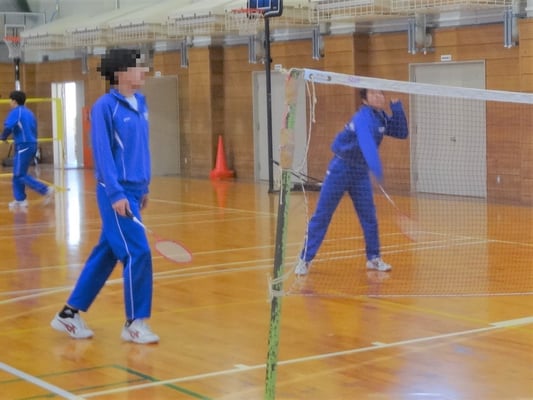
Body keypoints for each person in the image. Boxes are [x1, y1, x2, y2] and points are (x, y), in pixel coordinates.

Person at [51, 48, 159, 344]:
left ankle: (68, 314)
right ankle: (134, 323)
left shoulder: (141, 103)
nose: (144, 71)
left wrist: (144, 187)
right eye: (138, 67)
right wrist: (116, 193)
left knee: (107, 253)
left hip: (134, 190)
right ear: (121, 72)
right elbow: (103, 153)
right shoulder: (104, 107)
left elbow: (141, 149)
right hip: (116, 192)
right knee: (138, 252)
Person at [295, 88, 408, 276]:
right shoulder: (362, 118)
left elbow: (402, 132)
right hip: (341, 168)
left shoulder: (380, 117)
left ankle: (373, 258)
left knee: (369, 217)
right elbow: (367, 143)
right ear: (365, 100)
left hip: (360, 172)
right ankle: (304, 259)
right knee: (322, 214)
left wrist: (396, 108)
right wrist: (377, 169)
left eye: (380, 93)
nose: (378, 96)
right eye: (373, 94)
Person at [1, 90, 54, 209]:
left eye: (10, 100)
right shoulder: (29, 112)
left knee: (20, 174)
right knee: (17, 173)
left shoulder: (16, 112)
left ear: (14, 101)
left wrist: (3, 137)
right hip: (30, 144)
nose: (10, 103)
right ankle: (20, 200)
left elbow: (8, 126)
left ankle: (45, 189)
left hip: (24, 146)